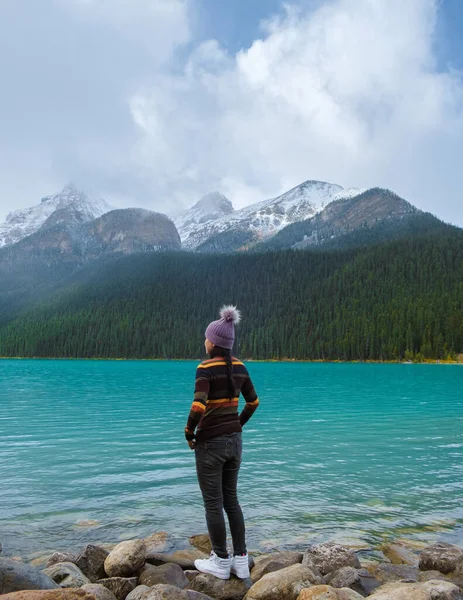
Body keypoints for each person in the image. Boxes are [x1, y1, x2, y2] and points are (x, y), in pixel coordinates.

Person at [184, 305, 259, 580]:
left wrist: (189, 431)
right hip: (234, 443)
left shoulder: (204, 368)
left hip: (211, 444)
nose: (204, 341)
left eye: (206, 337)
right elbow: (254, 401)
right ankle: (241, 559)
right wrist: (237, 424)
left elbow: (199, 404)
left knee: (213, 503)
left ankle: (219, 560)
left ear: (213, 342)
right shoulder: (239, 366)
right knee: (231, 500)